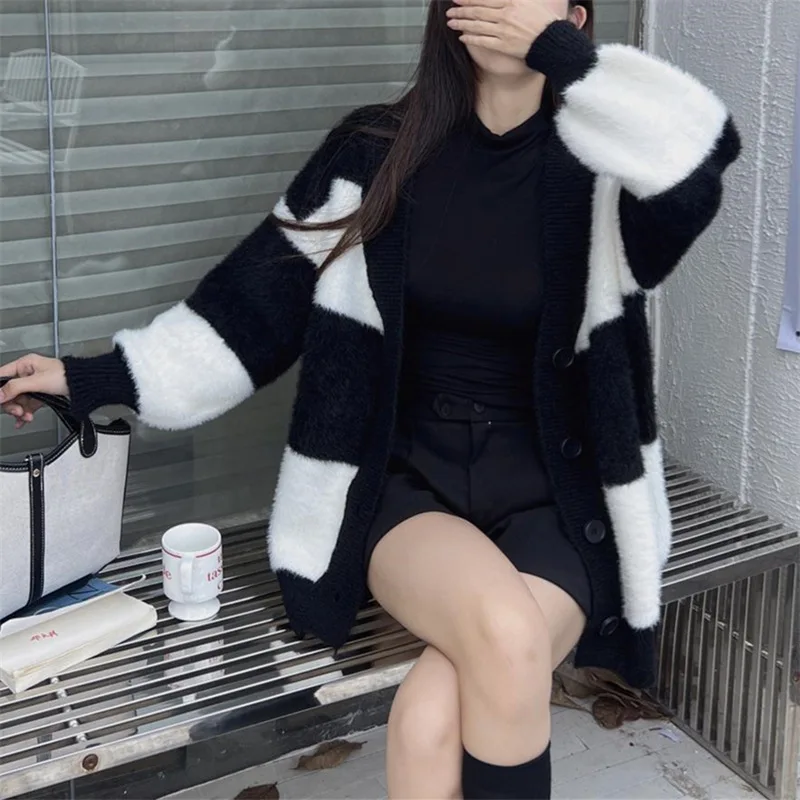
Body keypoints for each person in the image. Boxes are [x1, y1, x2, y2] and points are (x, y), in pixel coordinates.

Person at [0, 0, 740, 797]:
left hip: (561, 498)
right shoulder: (374, 152)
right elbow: (253, 308)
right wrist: (90, 378)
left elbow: (701, 162)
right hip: (407, 483)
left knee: (427, 717)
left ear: (575, 18)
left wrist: (563, 58)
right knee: (501, 639)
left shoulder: (607, 167)